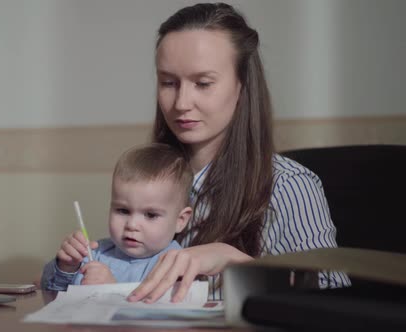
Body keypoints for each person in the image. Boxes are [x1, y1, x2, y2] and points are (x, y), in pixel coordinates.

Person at [127, 2, 350, 304]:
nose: (181, 102)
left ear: (242, 86)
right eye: (168, 83)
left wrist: (236, 262)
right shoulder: (149, 178)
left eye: (203, 83)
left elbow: (332, 299)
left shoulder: (289, 185)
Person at [41, 143, 194, 291]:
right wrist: (67, 266)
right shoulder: (96, 253)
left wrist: (113, 290)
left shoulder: (175, 263)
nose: (132, 225)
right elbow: (50, 290)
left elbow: (164, 308)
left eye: (150, 215)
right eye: (123, 210)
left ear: (180, 221)